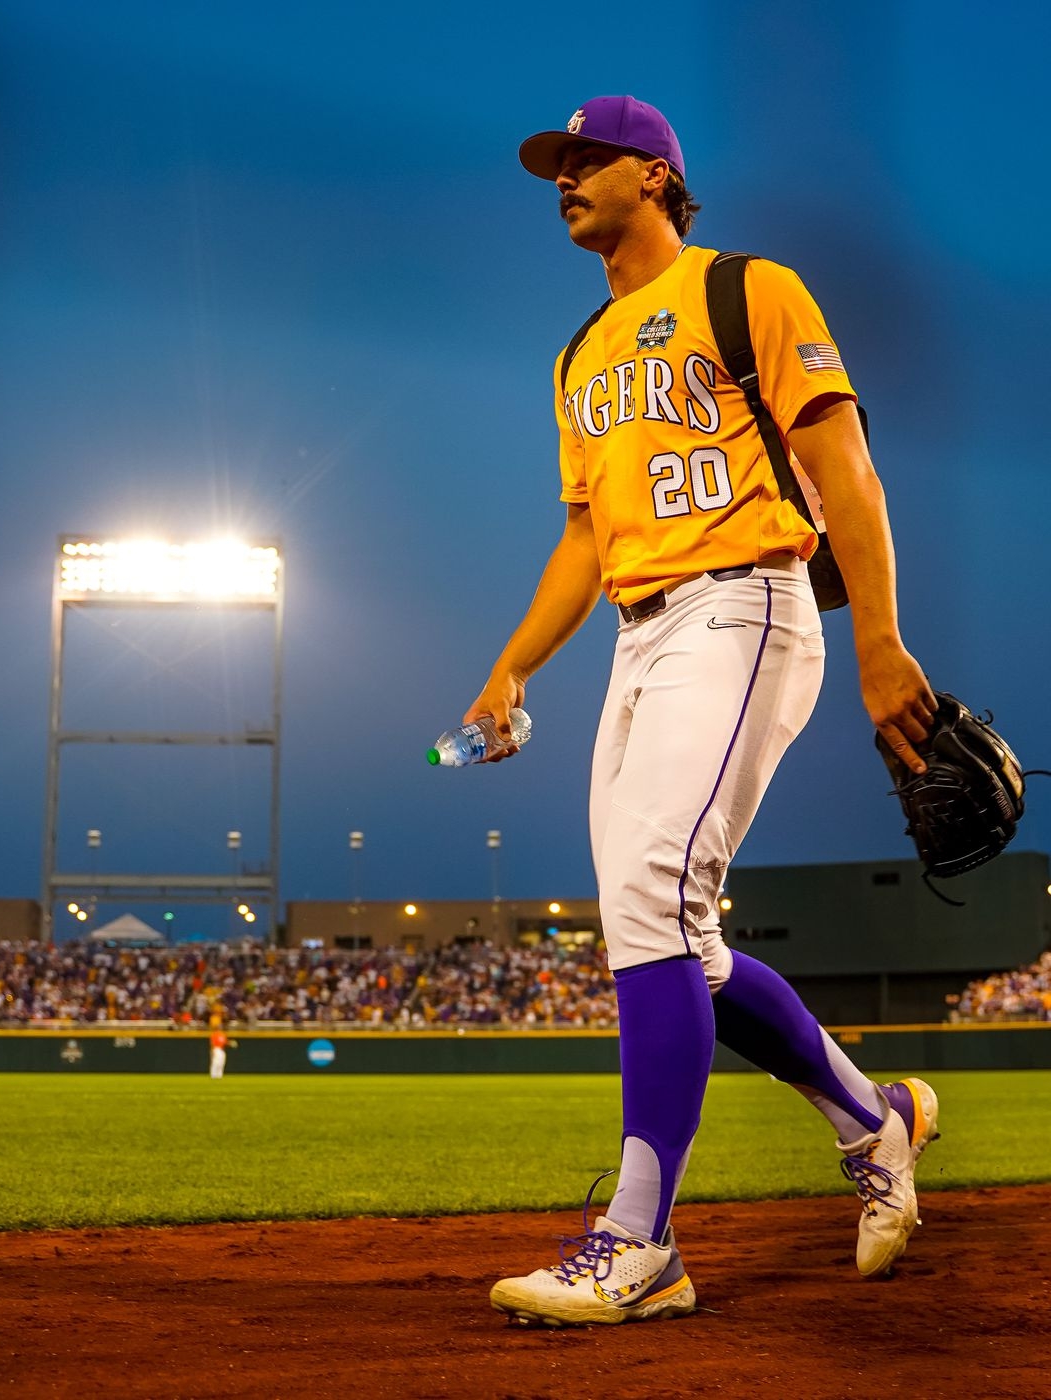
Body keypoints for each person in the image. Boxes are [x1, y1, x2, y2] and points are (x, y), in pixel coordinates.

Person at [470, 95, 940, 1327]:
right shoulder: (578, 354)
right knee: (677, 930)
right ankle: (871, 1116)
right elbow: (584, 537)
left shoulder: (749, 289)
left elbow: (843, 467)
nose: (561, 179)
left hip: (745, 606)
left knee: (648, 898)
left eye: (583, 161)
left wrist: (882, 640)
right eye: (554, 167)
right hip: (637, 639)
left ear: (653, 174)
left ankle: (640, 1237)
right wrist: (512, 665)